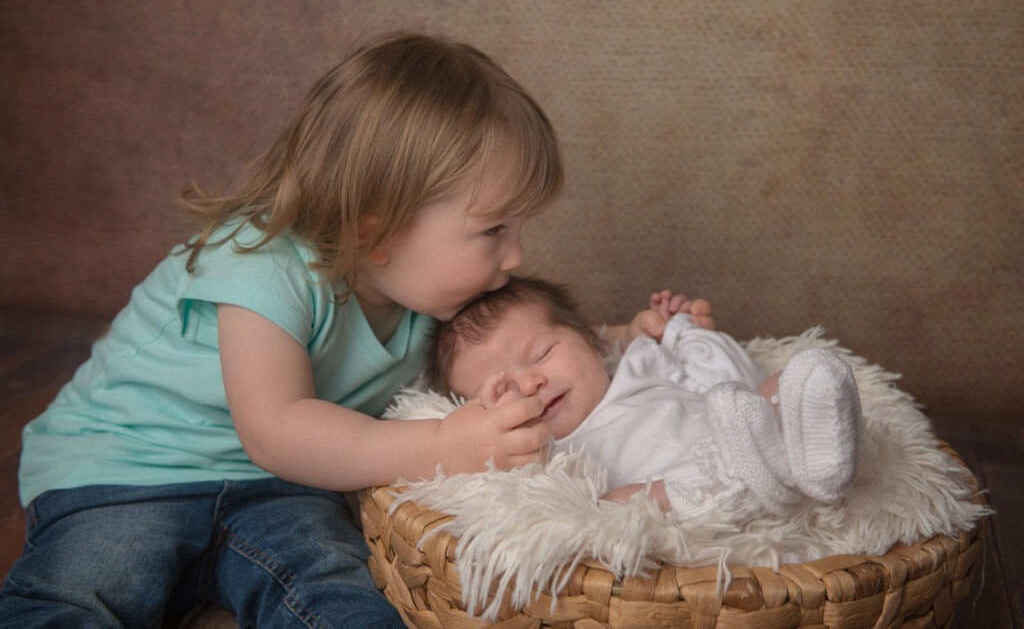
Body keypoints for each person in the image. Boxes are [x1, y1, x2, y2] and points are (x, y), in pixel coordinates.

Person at [0, 33, 577, 627]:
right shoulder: (259, 260)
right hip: (127, 469)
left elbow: (526, 343)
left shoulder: (439, 296)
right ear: (374, 232)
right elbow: (274, 430)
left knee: (336, 592)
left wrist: (624, 338)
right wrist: (441, 447)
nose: (515, 256)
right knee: (86, 588)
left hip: (283, 489)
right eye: (494, 231)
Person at [427, 276, 863, 525]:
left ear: (593, 343)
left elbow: (735, 384)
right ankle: (748, 482)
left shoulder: (641, 362)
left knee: (784, 382)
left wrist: (686, 335)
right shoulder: (544, 452)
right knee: (614, 505)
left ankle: (811, 463)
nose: (529, 383)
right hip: (682, 490)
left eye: (542, 354)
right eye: (503, 389)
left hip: (740, 434)